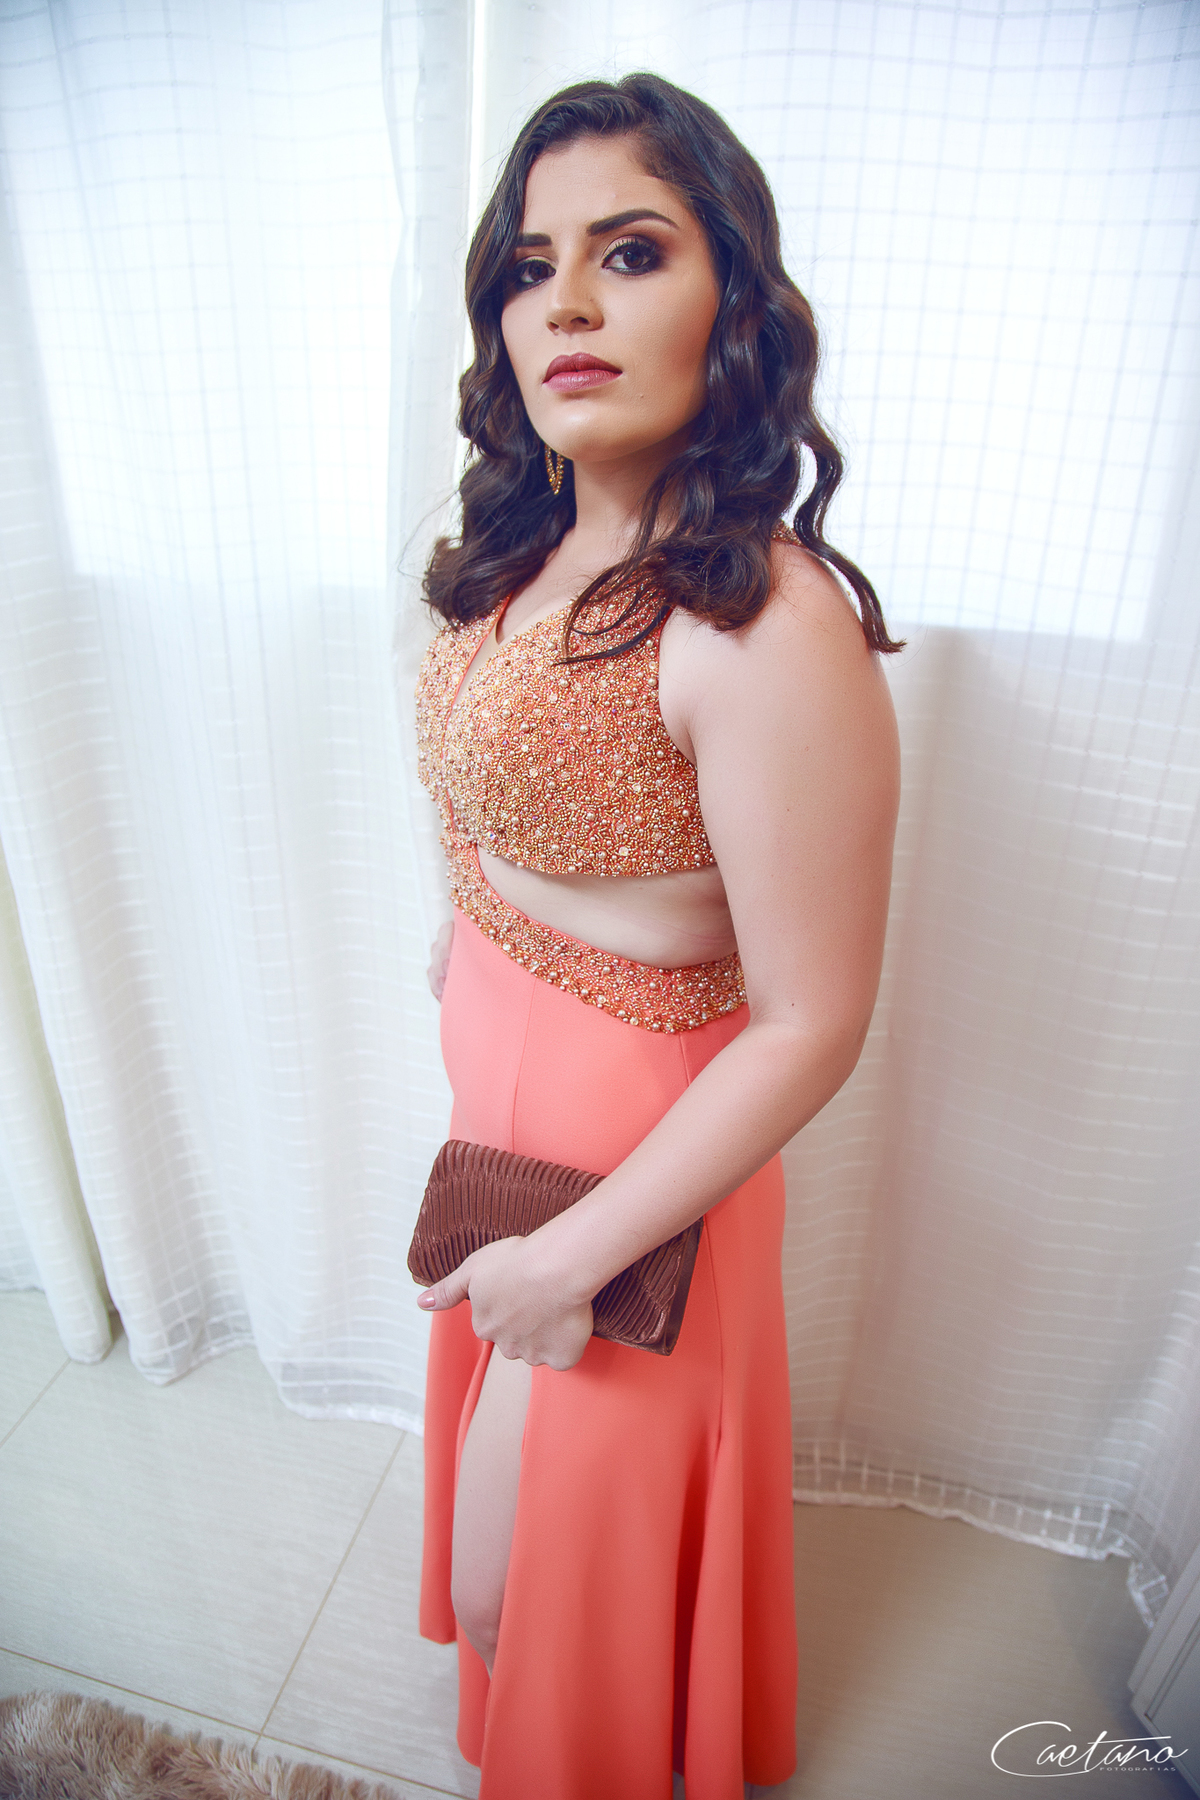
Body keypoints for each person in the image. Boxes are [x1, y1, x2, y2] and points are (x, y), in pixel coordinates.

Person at [410, 72, 902, 1800]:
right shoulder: (521, 554)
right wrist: (466, 934)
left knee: (532, 1588)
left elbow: (814, 1019)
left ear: (732, 301)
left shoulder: (764, 620)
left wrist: (571, 1259)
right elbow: (490, 795)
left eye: (629, 252)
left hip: (636, 1178)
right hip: (500, 1127)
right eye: (528, 266)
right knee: (511, 1593)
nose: (566, 303)